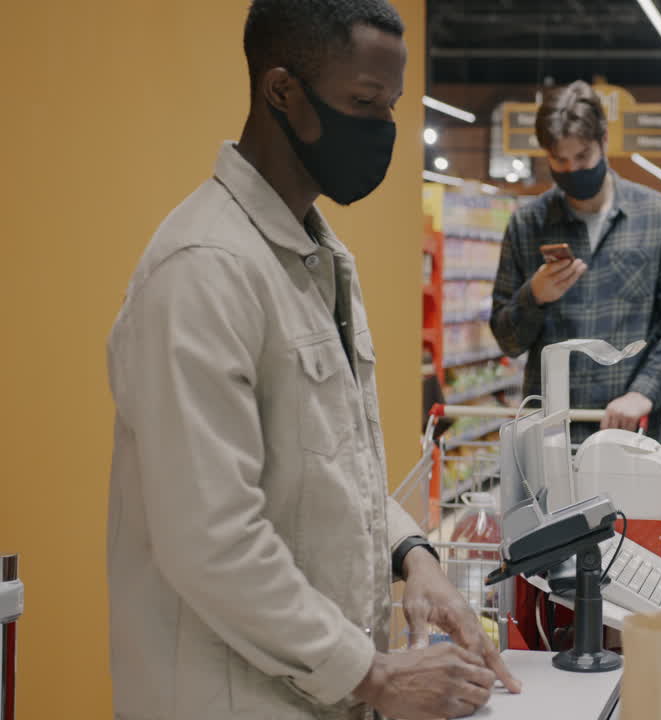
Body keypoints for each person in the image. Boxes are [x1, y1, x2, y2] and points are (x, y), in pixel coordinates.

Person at [106, 2, 519, 718]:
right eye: (363, 102)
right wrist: (376, 677)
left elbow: (334, 467)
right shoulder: (204, 270)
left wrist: (415, 557)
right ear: (281, 91)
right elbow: (211, 539)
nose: (382, 129)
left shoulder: (319, 260)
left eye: (390, 105)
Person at [490, 81, 661, 442]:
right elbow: (508, 341)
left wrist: (645, 392)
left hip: (631, 434)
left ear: (604, 141)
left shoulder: (657, 215)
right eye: (560, 160)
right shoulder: (527, 224)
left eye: (583, 157)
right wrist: (535, 296)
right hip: (548, 435)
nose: (572, 169)